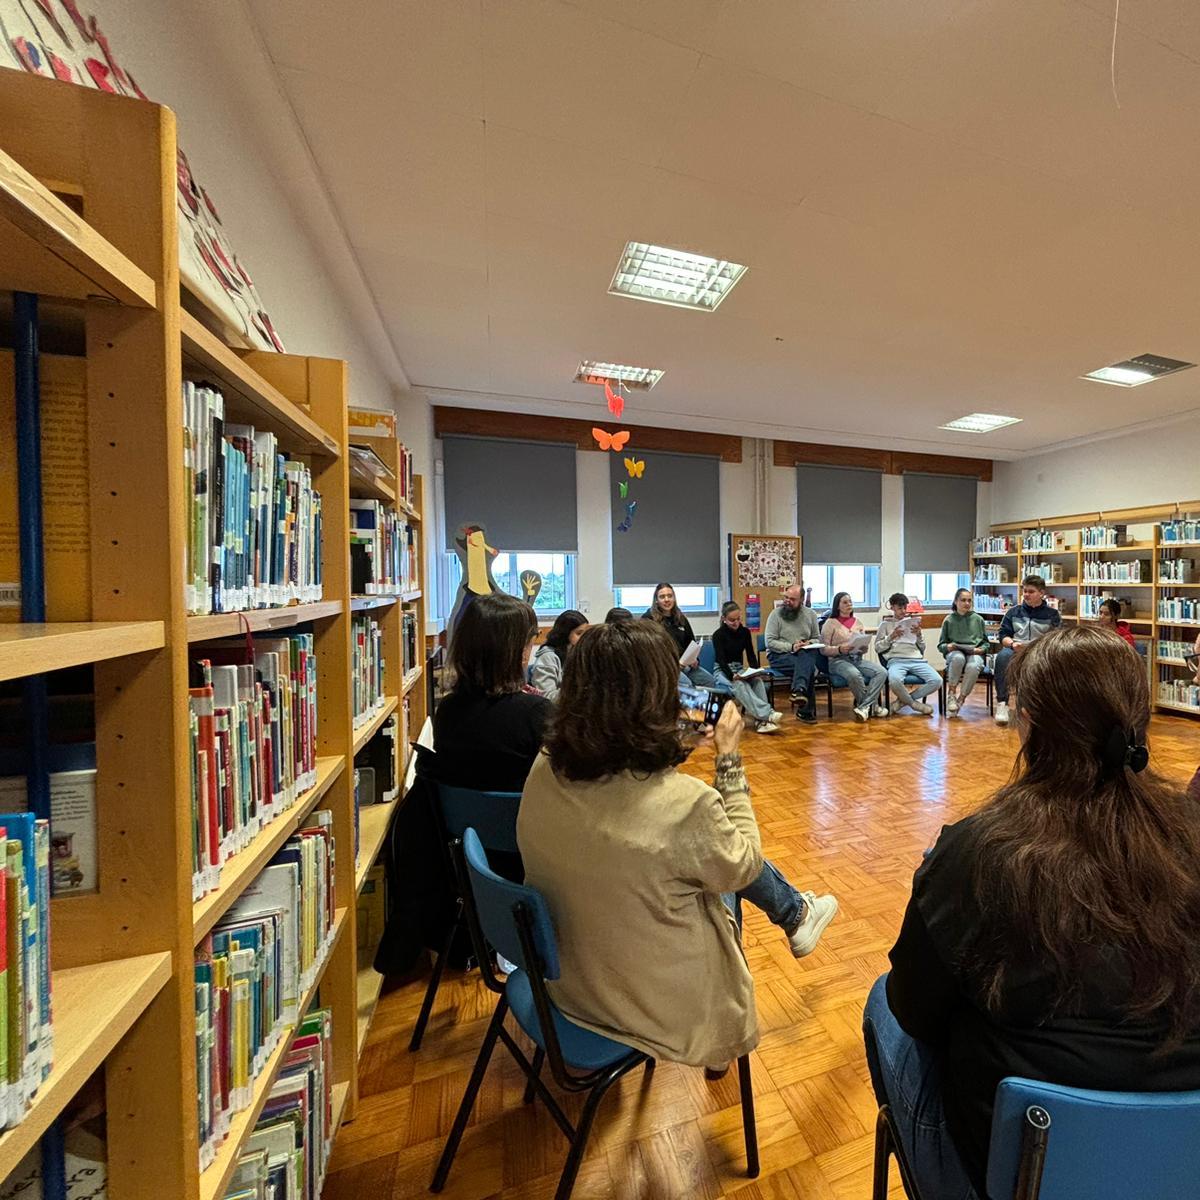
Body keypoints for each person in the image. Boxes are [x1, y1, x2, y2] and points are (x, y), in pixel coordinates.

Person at [862, 625, 1200, 1200]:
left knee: (881, 999)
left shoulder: (977, 853)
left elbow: (915, 1011)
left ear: (1030, 724)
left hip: (1027, 1170)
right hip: (1180, 1166)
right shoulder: (1190, 835)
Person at [518, 619, 838, 1070]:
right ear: (657, 697)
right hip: (656, 1007)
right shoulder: (689, 806)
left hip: (567, 980)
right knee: (721, 870)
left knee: (704, 857)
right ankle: (794, 916)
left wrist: (672, 745)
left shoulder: (546, 764)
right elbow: (744, 864)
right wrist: (728, 758)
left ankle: (797, 913)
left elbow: (630, 791)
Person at [433, 591, 551, 792]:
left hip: (461, 813)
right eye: (533, 637)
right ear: (521, 649)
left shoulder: (447, 709)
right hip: (524, 812)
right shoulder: (536, 713)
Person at [993, 575, 1061, 726]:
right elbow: (1003, 635)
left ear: (1041, 593)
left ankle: (1041, 706)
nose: (1026, 595)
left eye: (1031, 591)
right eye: (1025, 591)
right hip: (1016, 648)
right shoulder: (1013, 612)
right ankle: (1002, 703)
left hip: (1040, 650)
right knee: (1002, 657)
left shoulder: (1052, 614)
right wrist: (1012, 644)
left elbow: (1057, 638)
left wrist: (1041, 647)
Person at [712, 601, 784, 734]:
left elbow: (750, 654)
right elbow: (721, 660)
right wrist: (731, 676)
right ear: (724, 619)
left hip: (739, 667)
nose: (736, 623)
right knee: (739, 684)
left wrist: (755, 671)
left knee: (757, 681)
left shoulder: (745, 632)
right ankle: (767, 715)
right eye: (732, 620)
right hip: (722, 670)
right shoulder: (718, 635)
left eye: (738, 619)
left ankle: (761, 722)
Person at [821, 591, 888, 722]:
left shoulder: (858, 623)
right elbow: (823, 649)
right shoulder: (830, 623)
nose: (849, 604)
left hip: (857, 658)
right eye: (845, 602)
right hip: (838, 660)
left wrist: (863, 648)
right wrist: (839, 649)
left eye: (850, 602)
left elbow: (863, 646)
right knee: (854, 674)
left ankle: (864, 707)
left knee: (882, 672)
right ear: (837, 606)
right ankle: (872, 706)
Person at [764, 582, 822, 723]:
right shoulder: (775, 615)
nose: (787, 601)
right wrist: (791, 647)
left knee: (805, 658)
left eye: (792, 599)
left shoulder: (811, 614)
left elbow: (817, 638)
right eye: (786, 597)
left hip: (802, 653)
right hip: (779, 655)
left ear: (801, 600)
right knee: (808, 667)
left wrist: (809, 643)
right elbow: (770, 642)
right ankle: (804, 709)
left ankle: (798, 691)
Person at [876, 593, 941, 716]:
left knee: (937, 680)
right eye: (900, 608)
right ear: (892, 607)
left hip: (916, 659)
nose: (903, 611)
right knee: (894, 681)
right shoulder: (885, 625)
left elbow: (922, 648)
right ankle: (914, 704)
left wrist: (919, 635)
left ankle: (902, 702)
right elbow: (877, 648)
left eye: (905, 608)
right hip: (896, 660)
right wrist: (891, 637)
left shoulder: (912, 623)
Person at [643, 582, 717, 687]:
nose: (667, 599)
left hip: (684, 664)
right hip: (664, 667)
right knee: (687, 685)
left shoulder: (680, 618)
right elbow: (647, 650)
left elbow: (691, 642)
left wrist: (695, 659)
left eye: (670, 596)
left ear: (674, 598)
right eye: (662, 597)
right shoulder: (648, 619)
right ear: (656, 600)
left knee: (710, 681)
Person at [937, 588, 991, 716]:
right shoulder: (949, 620)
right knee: (958, 658)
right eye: (963, 600)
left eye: (969, 601)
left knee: (974, 666)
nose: (967, 603)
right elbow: (941, 645)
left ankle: (961, 699)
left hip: (974, 652)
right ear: (956, 601)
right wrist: (948, 647)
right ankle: (951, 694)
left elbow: (986, 643)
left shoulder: (978, 619)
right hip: (955, 652)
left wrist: (981, 649)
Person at [529, 609, 588, 700]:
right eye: (579, 633)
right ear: (566, 633)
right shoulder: (547, 657)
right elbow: (546, 696)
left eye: (585, 633)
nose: (584, 638)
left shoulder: (577, 653)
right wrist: (580, 693)